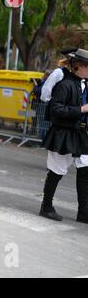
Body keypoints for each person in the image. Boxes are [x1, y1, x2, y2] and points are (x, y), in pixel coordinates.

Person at [40, 48, 88, 223]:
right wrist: (81, 110)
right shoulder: (65, 85)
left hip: (79, 133)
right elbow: (56, 110)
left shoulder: (82, 84)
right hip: (63, 133)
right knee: (57, 170)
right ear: (79, 67)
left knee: (85, 170)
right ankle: (46, 206)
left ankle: (84, 211)